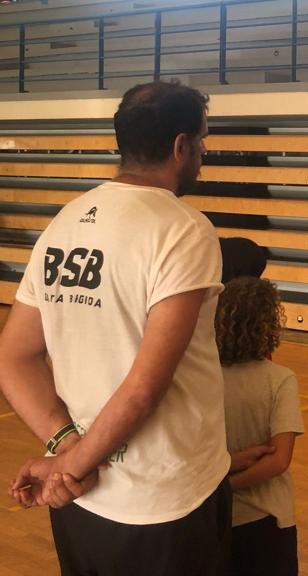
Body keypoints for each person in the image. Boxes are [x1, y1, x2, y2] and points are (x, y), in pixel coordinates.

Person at [0, 80, 231, 575]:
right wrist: (73, 466)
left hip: (82, 501)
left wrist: (67, 450)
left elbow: (12, 357)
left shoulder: (65, 220)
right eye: (203, 140)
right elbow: (145, 388)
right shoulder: (185, 228)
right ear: (180, 146)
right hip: (166, 502)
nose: (203, 153)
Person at [216, 277, 304, 576]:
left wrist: (216, 490)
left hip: (213, 518)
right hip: (267, 519)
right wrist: (228, 488)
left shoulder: (204, 378)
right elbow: (279, 460)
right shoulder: (279, 379)